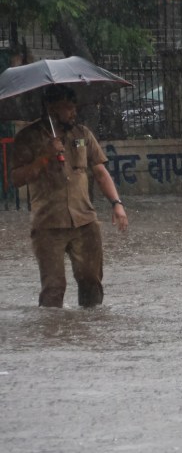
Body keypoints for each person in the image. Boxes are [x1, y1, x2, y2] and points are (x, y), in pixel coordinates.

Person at [11, 84, 129, 308]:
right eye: (67, 107)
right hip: (48, 224)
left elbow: (100, 172)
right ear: (50, 108)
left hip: (85, 221)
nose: (73, 112)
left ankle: (88, 331)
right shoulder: (27, 138)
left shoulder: (83, 134)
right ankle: (53, 335)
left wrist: (117, 204)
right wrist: (44, 157)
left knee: (91, 282)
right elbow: (16, 179)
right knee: (54, 288)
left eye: (74, 107)